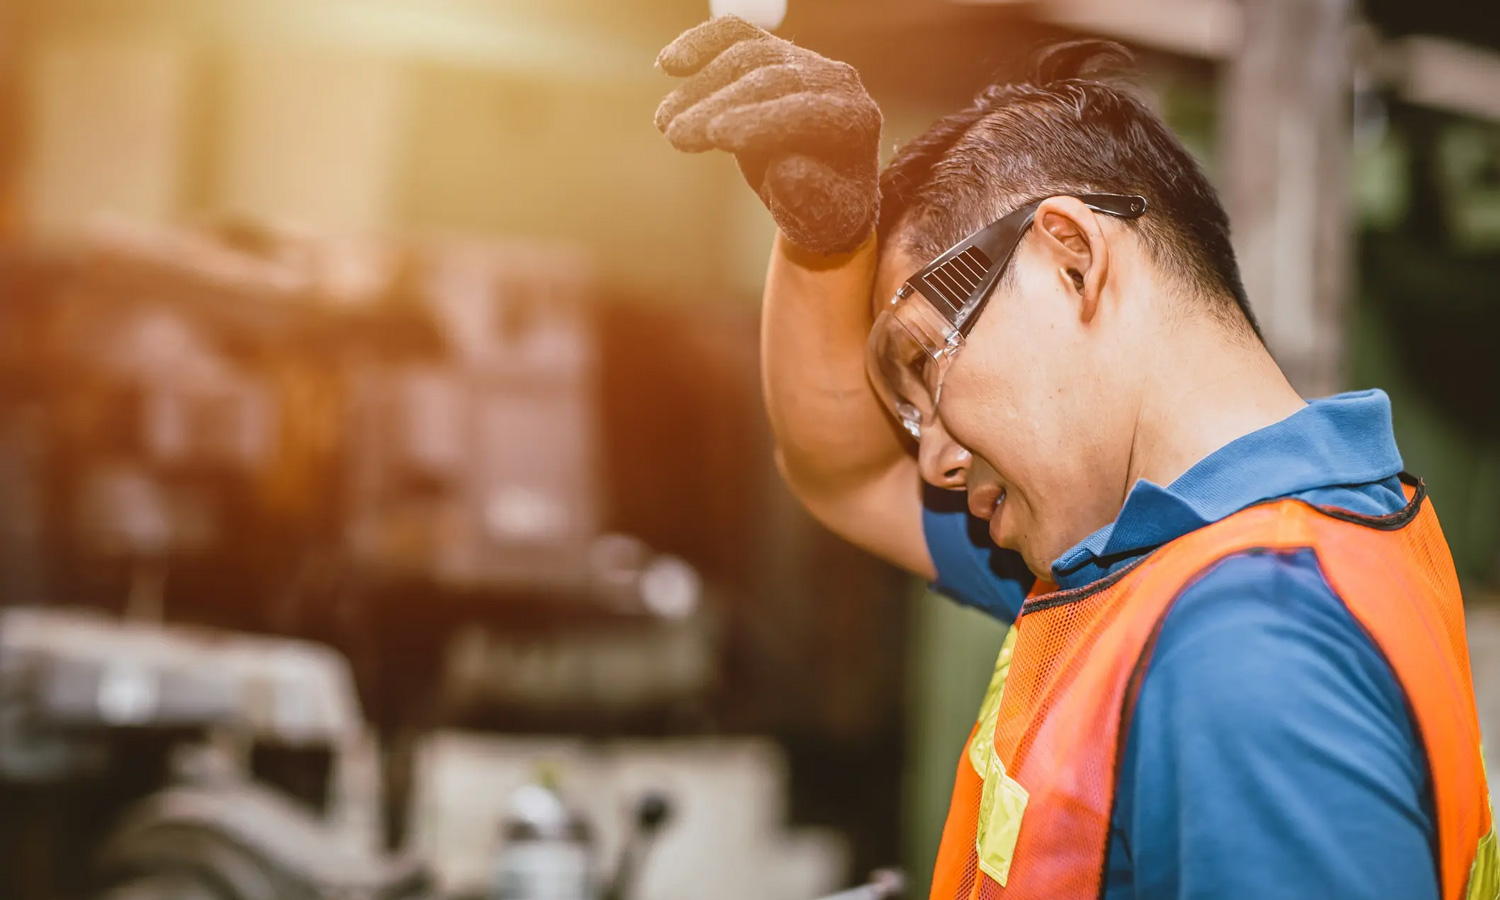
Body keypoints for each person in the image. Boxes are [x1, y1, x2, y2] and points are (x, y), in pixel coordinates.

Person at [653, 16, 1497, 900]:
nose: (934, 462)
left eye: (924, 365)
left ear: (1071, 260)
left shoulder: (1247, 647)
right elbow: (846, 470)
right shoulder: (1162, 560)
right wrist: (825, 242)